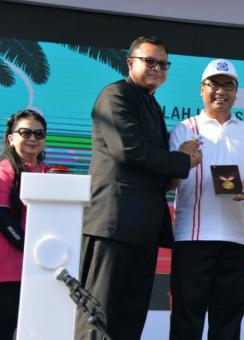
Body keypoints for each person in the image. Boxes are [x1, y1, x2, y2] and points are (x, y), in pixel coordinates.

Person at [76, 36, 200, 340]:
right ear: (131, 63)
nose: (157, 68)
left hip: (143, 229)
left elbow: (153, 167)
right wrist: (181, 160)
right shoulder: (115, 95)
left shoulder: (152, 105)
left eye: (163, 64)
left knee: (130, 318)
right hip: (112, 225)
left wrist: (177, 169)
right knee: (98, 314)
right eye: (150, 61)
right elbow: (128, 150)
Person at [168, 58, 244, 340]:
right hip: (193, 238)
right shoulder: (184, 129)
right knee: (186, 319)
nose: (221, 91)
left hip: (238, 238)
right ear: (201, 89)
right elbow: (169, 183)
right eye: (214, 84)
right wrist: (184, 161)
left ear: (235, 91)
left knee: (228, 323)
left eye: (228, 85)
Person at [0, 109, 49, 339]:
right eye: (25, 132)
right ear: (11, 138)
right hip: (7, 273)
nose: (33, 139)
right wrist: (27, 247)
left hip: (44, 271)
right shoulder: (3, 171)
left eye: (39, 134)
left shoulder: (52, 174)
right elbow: (2, 217)